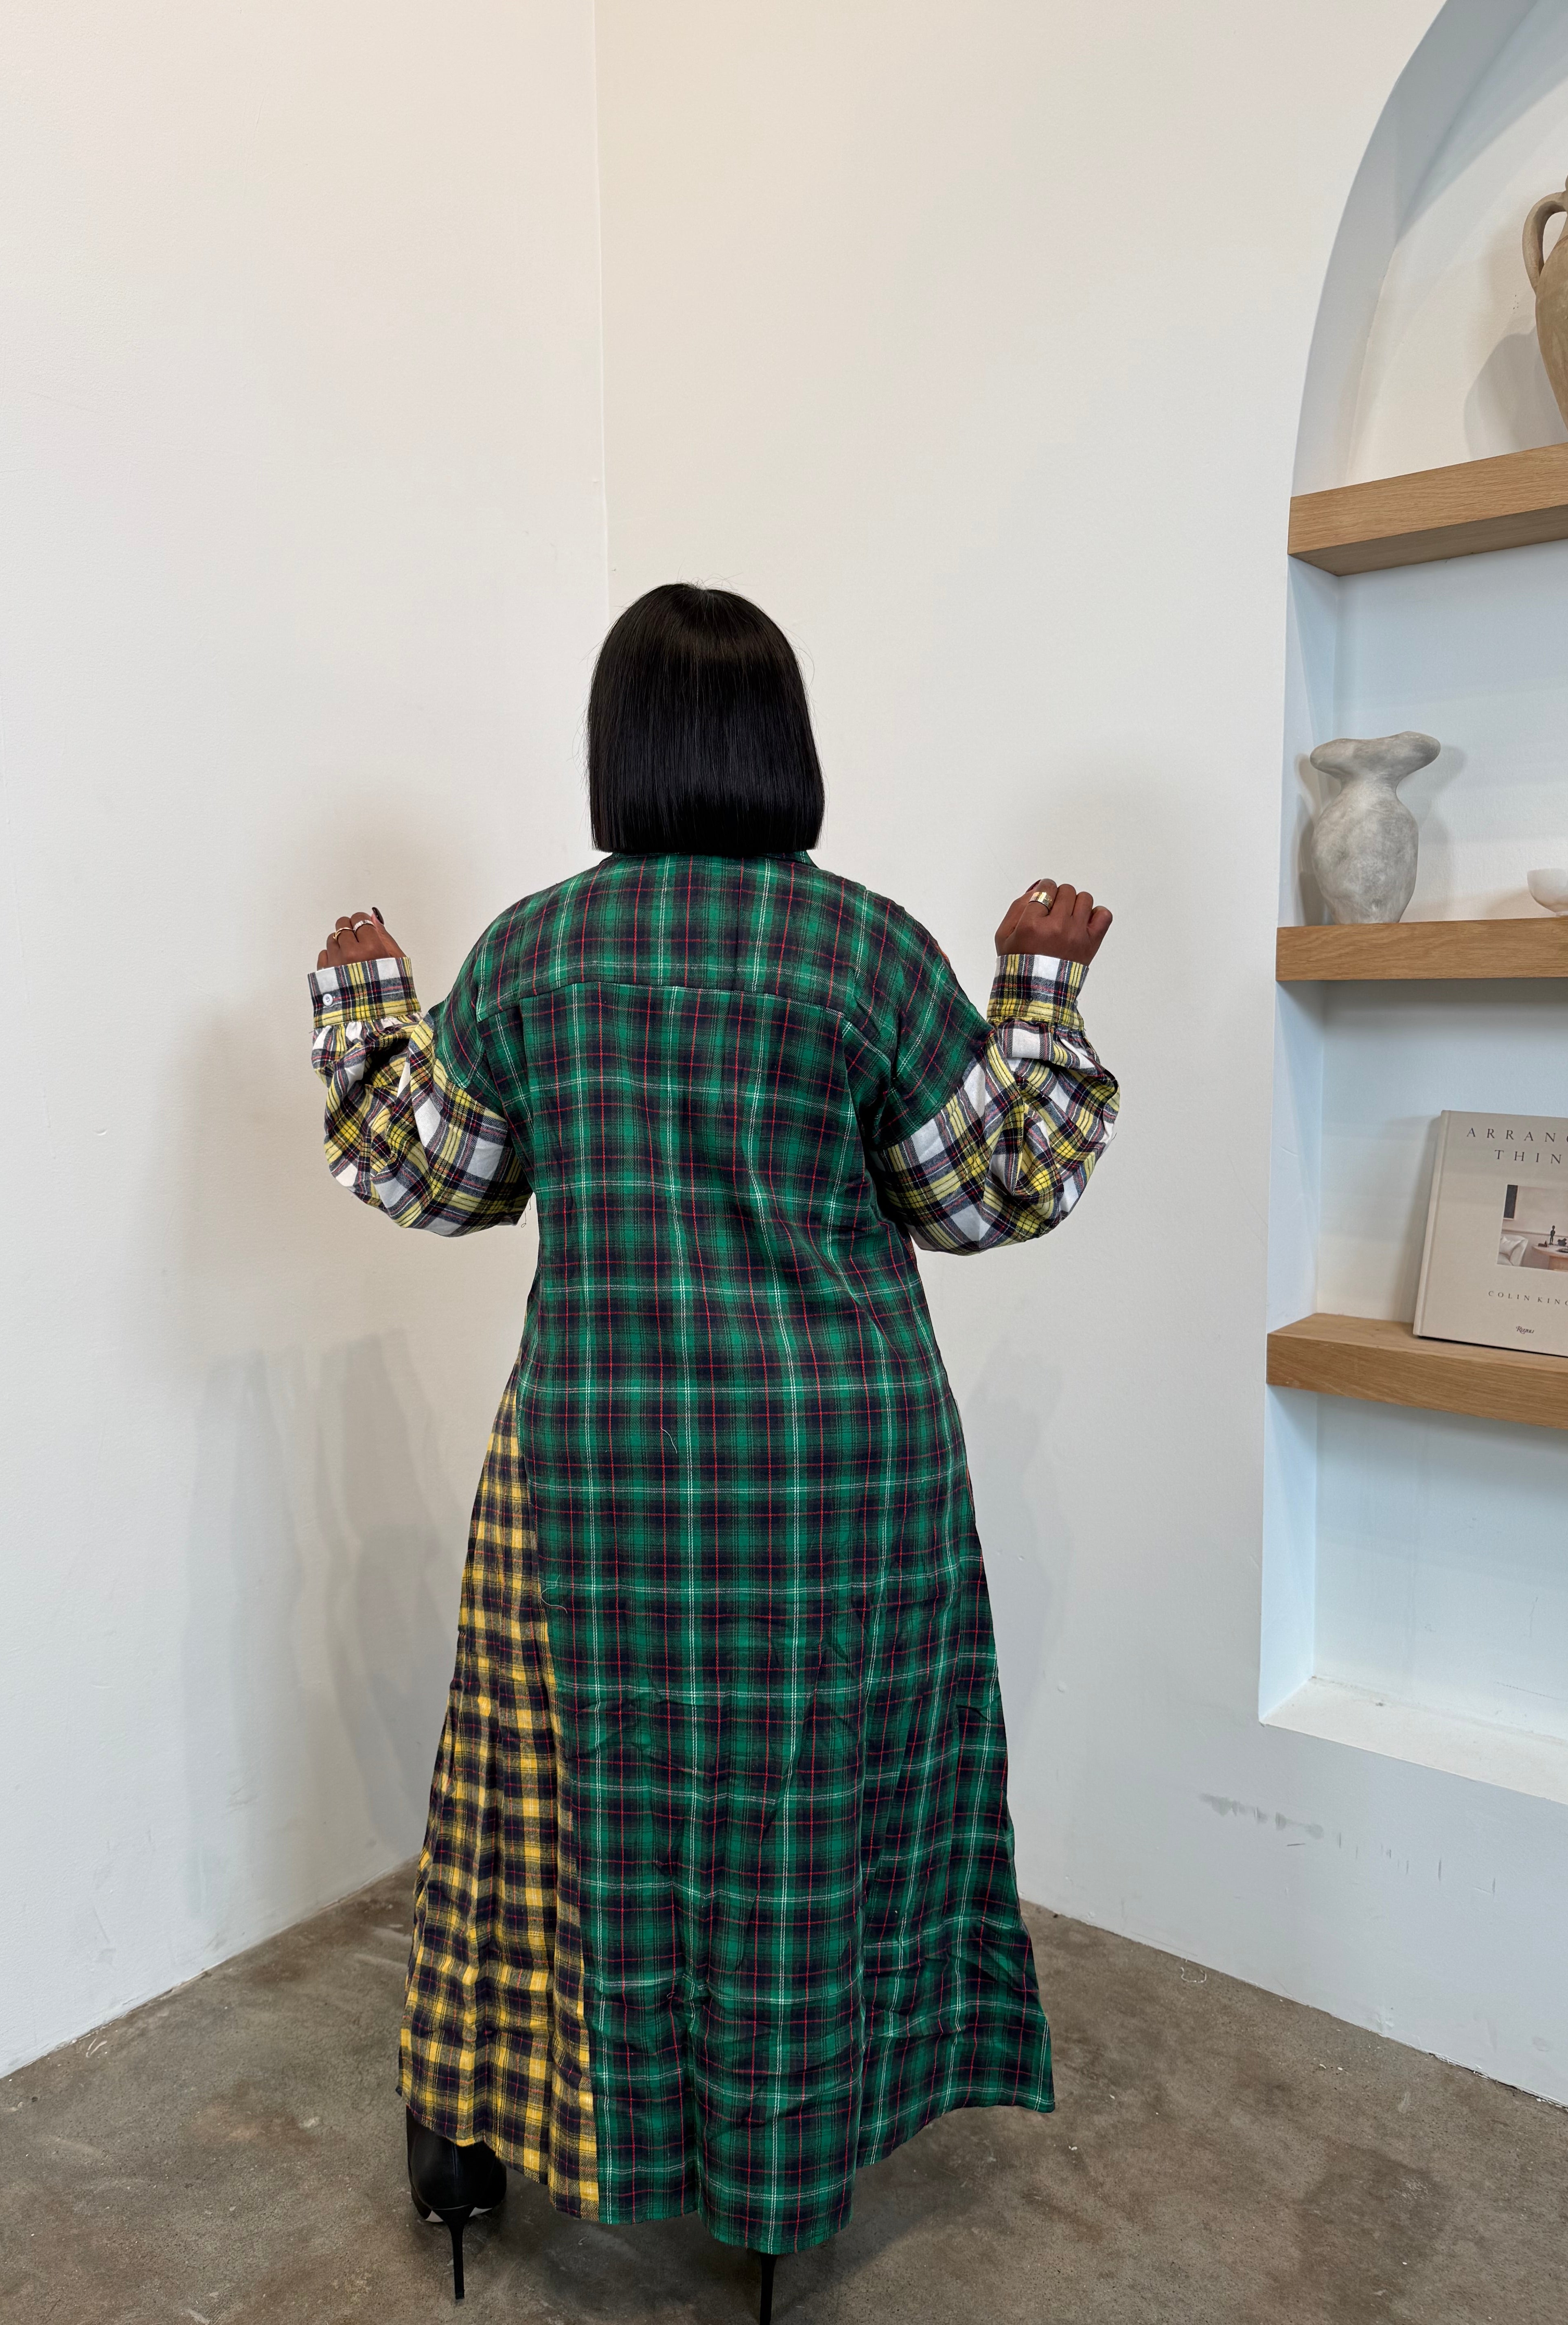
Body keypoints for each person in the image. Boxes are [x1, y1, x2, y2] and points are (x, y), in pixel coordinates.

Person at [308, 584, 1118, 2314]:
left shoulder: (537, 952)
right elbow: (989, 1194)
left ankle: (487, 2126)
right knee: (808, 1812)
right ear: (782, 746)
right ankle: (778, 2171)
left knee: (553, 1812)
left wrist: (368, 1004)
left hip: (596, 1479)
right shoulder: (866, 953)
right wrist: (1040, 991)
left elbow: (441, 1178)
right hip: (837, 1486)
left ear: (619, 750)